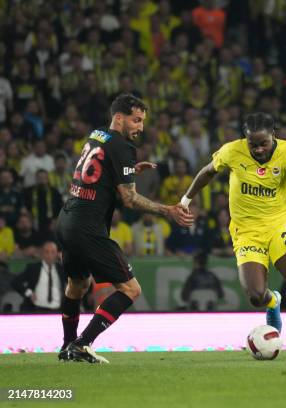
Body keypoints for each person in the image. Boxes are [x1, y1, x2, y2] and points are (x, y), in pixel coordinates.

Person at [56, 94, 193, 363]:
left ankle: (67, 346)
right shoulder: (123, 147)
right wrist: (168, 210)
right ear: (119, 117)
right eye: (136, 120)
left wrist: (126, 172)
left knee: (77, 286)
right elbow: (129, 199)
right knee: (131, 289)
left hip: (67, 221)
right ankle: (82, 344)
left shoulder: (97, 135)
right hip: (88, 228)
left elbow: (100, 174)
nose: (140, 127)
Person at [180, 112, 286, 358]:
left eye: (263, 144)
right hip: (246, 231)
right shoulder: (232, 151)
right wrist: (186, 199)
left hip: (279, 225)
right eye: (252, 144)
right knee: (256, 296)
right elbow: (207, 172)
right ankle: (272, 302)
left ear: (273, 136)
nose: (257, 149)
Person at [11, 241, 65, 312]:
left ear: (57, 254)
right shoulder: (33, 268)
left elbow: (76, 281)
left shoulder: (62, 269)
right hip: (36, 310)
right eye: (46, 252)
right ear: (42, 253)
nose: (49, 255)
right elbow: (15, 282)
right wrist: (29, 293)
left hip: (58, 310)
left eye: (52, 252)